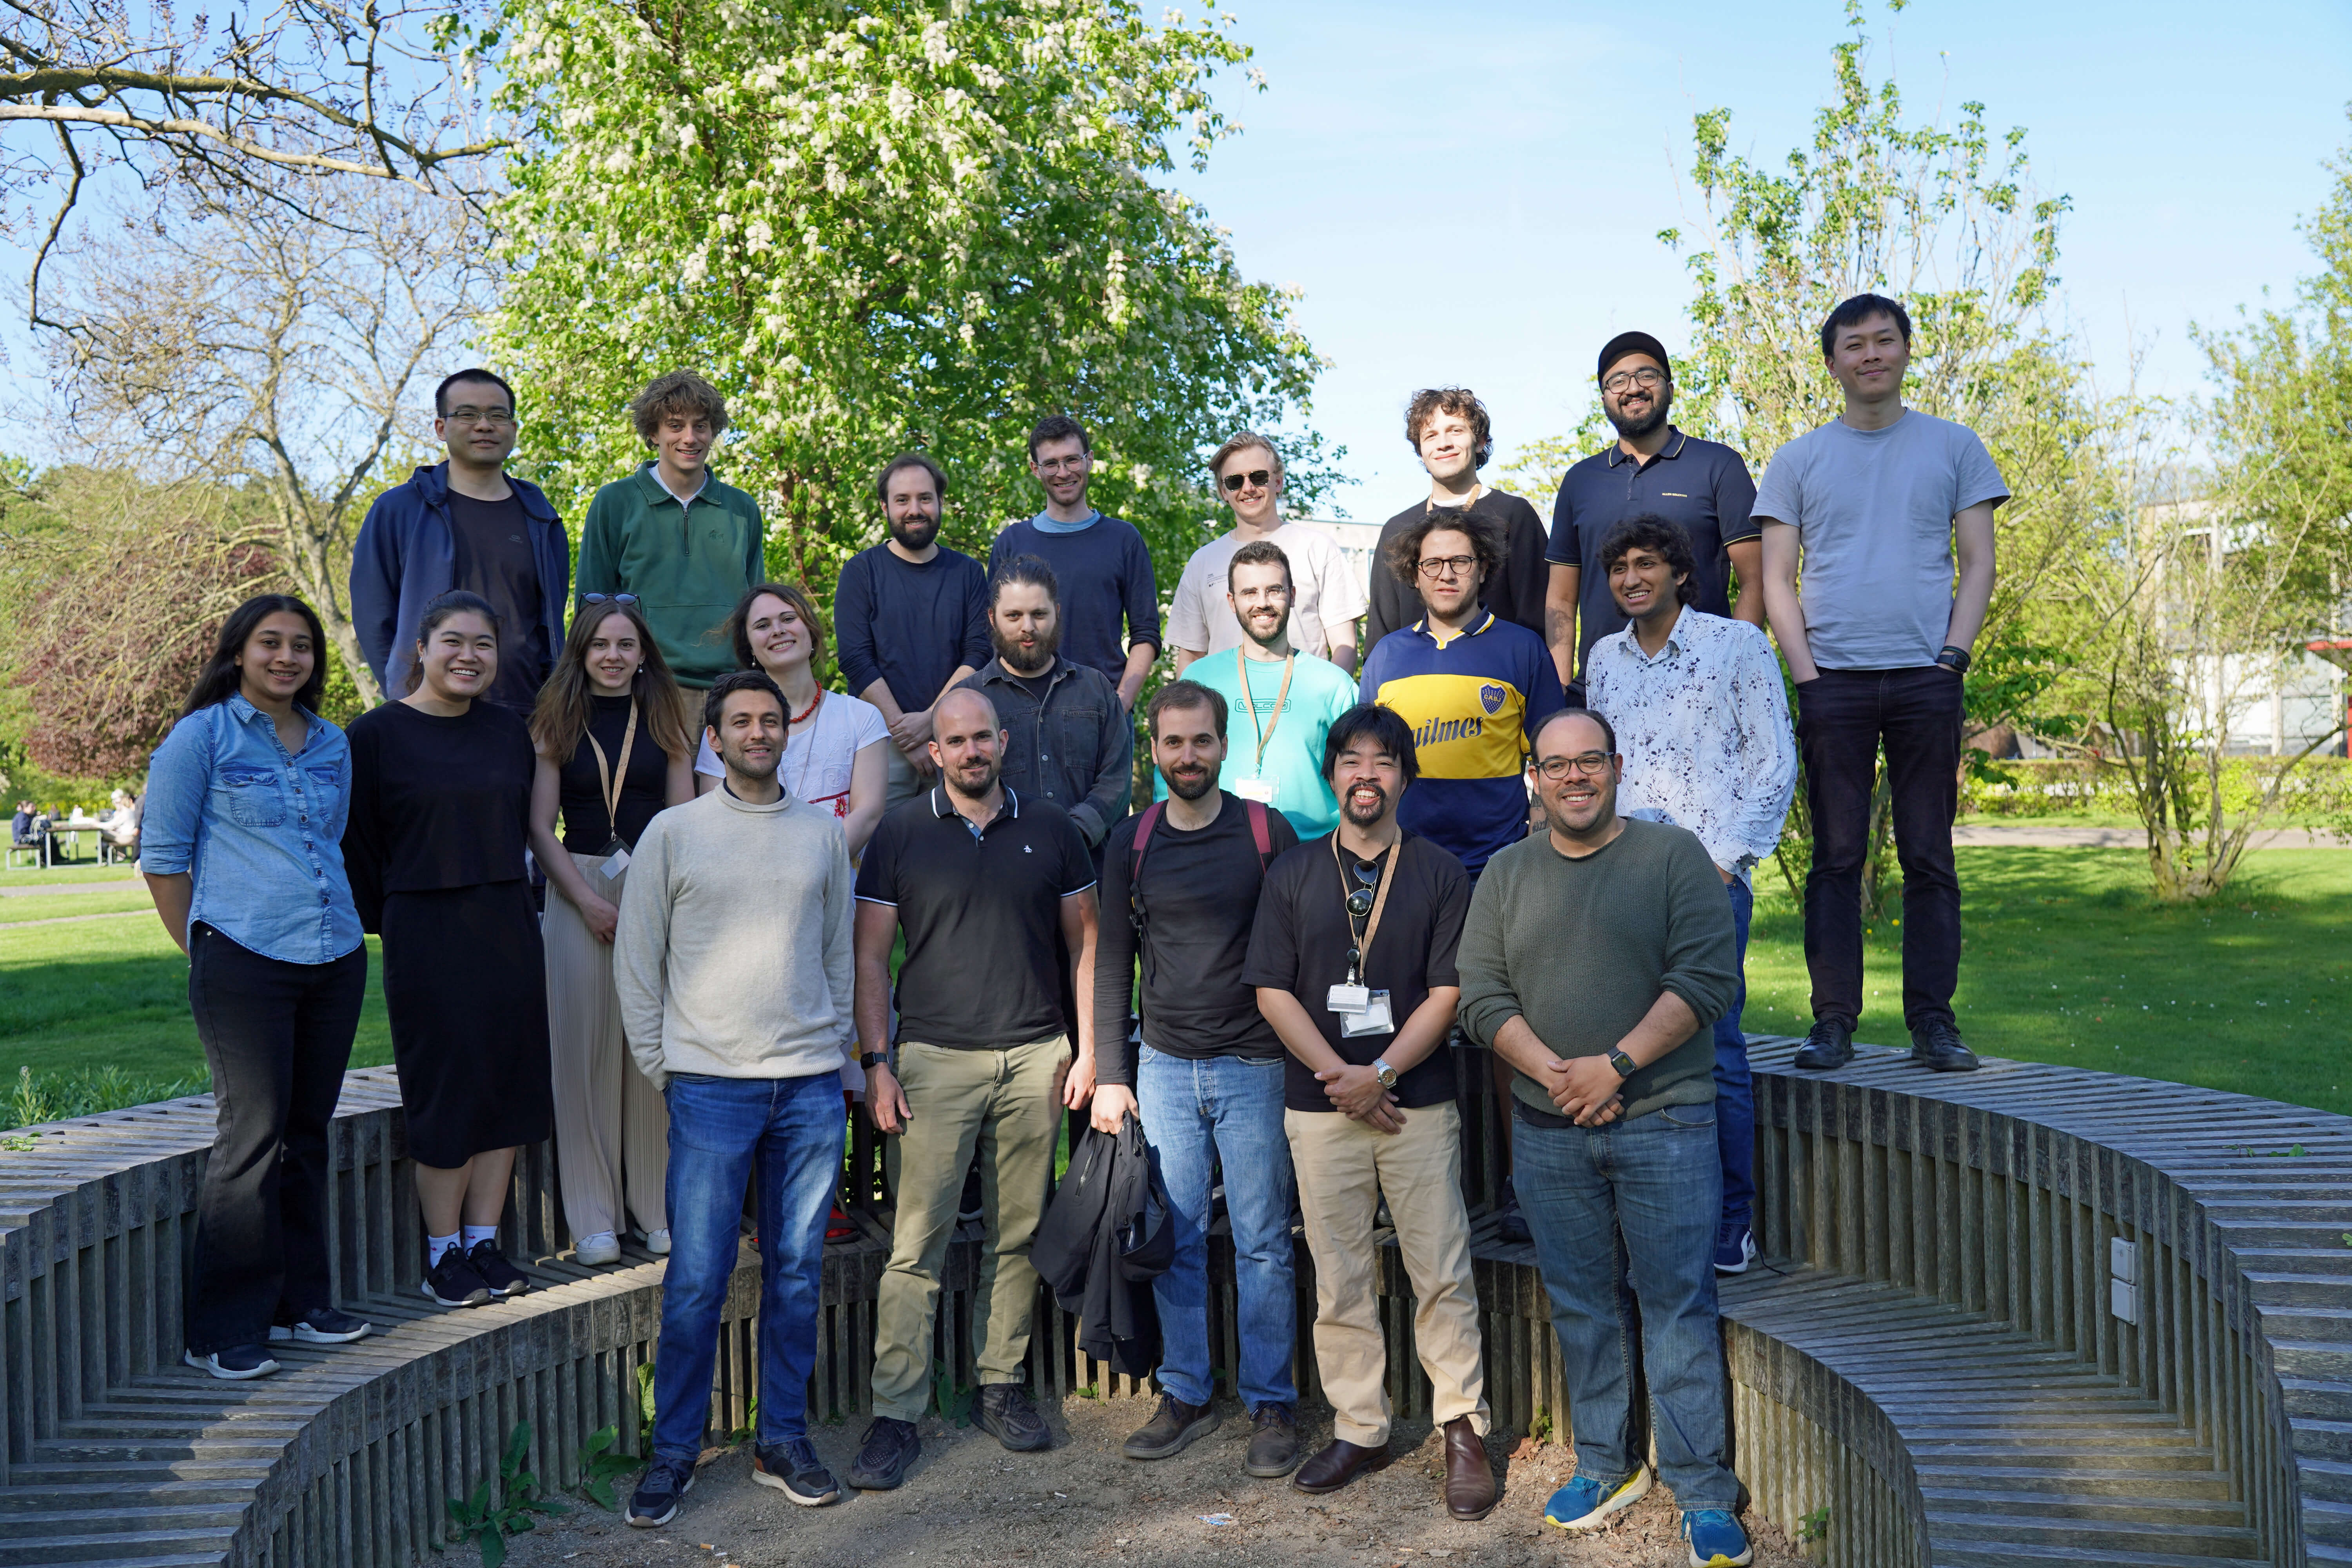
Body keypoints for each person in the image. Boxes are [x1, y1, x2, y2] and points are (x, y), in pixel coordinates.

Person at [1456, 708, 1747, 1568]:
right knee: (1583, 1304)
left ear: (1618, 767)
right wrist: (1562, 1076)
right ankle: (1607, 1464)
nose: (1574, 776)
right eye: (1556, 765)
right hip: (1549, 1129)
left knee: (1677, 1305)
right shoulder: (1506, 873)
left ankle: (1703, 1491)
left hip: (1666, 1118)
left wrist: (1614, 1067)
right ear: (1534, 779)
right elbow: (1481, 996)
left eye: (1590, 760)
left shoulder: (1674, 857)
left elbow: (1707, 979)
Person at [612, 670, 859, 1525]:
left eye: (770, 719)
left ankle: (780, 1438)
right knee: (696, 1278)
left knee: (797, 1273)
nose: (758, 732)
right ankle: (674, 1452)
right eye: (741, 722)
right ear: (714, 738)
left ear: (787, 732)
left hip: (809, 1088)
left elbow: (836, 955)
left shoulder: (822, 835)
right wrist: (665, 1066)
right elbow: (638, 961)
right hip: (710, 1086)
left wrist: (835, 1049)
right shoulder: (675, 833)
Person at [1241, 703, 1495, 1521]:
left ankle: (1462, 1426)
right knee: (1340, 1274)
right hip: (1321, 1110)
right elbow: (1272, 989)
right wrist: (1341, 1077)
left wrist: (1379, 1073)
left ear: (1405, 778)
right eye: (1352, 759)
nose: (1367, 775)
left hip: (1417, 1104)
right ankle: (1360, 1426)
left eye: (1384, 761)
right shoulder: (1291, 872)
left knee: (1441, 1268)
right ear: (1332, 775)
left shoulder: (1441, 872)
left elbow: (1449, 991)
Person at [846, 688, 1101, 1490]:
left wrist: (1090, 1051)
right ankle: (896, 1413)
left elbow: (1088, 945)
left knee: (1017, 1235)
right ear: (935, 752)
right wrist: (877, 1061)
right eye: (955, 741)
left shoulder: (1052, 828)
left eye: (982, 737)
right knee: (915, 1246)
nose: (970, 751)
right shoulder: (901, 832)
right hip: (934, 1060)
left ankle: (1001, 1385)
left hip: (1036, 1056)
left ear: (1003, 741)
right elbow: (868, 957)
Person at [1755, 293, 2006, 1074]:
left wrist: (1953, 658)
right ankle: (1832, 1022)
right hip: (1833, 682)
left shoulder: (1955, 446)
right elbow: (1776, 577)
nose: (1871, 354)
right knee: (1836, 858)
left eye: (1885, 340)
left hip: (1928, 679)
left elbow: (1980, 562)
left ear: (1906, 350)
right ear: (1832, 362)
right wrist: (1806, 674)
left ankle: (1934, 1023)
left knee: (1930, 855)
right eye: (1855, 344)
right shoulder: (1798, 460)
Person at [141, 594, 374, 1380]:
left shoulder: (333, 742)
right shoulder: (200, 737)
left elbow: (327, 841)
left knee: (308, 1133)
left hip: (335, 953)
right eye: (270, 642)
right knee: (253, 1135)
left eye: (301, 645)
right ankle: (222, 1330)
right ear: (238, 651)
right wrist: (208, 950)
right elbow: (163, 860)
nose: (286, 657)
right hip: (242, 956)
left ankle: (300, 1304)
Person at [1091, 680, 1304, 1477]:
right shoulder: (1133, 840)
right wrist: (1113, 1073)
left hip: (1256, 1066)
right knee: (1174, 1235)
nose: (1188, 756)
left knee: (1262, 1243)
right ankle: (1184, 1390)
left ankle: (1272, 1401)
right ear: (1154, 750)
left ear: (1224, 746)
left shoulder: (1267, 832)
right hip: (1165, 1068)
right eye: (1174, 742)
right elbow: (1113, 961)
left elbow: (1301, 949)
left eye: (1202, 741)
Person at [1584, 517, 1796, 1277]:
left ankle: (1730, 1225)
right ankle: (1643, 1220)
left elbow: (1775, 761)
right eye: (1619, 568)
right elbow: (1600, 768)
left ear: (1679, 573)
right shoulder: (1603, 658)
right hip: (1619, 879)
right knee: (1626, 1044)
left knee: (1716, 1046)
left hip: (1707, 880)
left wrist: (1725, 864)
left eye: (1647, 564)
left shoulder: (1736, 644)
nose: (1631, 578)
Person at [343, 591, 554, 1309]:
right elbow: (358, 847)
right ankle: (443, 1255)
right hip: (426, 931)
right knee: (447, 1092)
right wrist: (400, 919)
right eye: (454, 642)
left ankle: (483, 1243)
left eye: (483, 644)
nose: (469, 656)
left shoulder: (507, 731)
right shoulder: (374, 736)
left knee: (508, 1085)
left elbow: (523, 827)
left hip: (507, 923)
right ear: (422, 650)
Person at [526, 599, 697, 1267]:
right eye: (600, 644)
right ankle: (594, 1215)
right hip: (578, 889)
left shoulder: (666, 716)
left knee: (652, 1051)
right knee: (583, 1052)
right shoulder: (556, 719)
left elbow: (685, 821)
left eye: (626, 645)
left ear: (643, 652)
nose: (613, 656)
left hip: (655, 886)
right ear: (582, 651)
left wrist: (666, 901)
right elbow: (540, 827)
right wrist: (586, 901)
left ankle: (656, 1208)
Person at [1543, 332, 1762, 697]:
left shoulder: (1719, 465)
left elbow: (1756, 580)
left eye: (1647, 375)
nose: (1633, 388)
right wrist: (1560, 692)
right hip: (1601, 688)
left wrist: (1733, 671)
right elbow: (1561, 600)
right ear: (1604, 398)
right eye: (1617, 381)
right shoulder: (1580, 480)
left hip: (1702, 684)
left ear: (1670, 390)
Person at [1358, 511, 1565, 879]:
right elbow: (1366, 765)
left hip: (1496, 867)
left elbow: (1551, 760)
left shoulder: (1524, 649)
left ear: (1483, 569)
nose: (1446, 574)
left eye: (1460, 561)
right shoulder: (1386, 655)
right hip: (1401, 864)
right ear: (1416, 575)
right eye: (1433, 564)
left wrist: (1538, 851)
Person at [351, 368, 571, 713]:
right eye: (467, 414)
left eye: (497, 415)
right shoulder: (399, 510)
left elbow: (550, 620)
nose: (484, 426)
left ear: (513, 429)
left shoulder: (542, 518)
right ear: (441, 428)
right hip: (428, 711)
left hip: (527, 710)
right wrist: (404, 697)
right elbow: (373, 614)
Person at [577, 371, 766, 688]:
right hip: (645, 685)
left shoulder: (742, 508)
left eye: (700, 426)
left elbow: (758, 606)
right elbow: (592, 605)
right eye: (676, 426)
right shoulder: (615, 502)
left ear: (713, 432)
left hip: (731, 686)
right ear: (653, 433)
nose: (690, 438)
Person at [1156, 541, 1357, 837]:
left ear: (1292, 596)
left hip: (1311, 850)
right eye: (1249, 592)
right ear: (1232, 601)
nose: (1262, 603)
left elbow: (1359, 775)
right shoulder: (1199, 679)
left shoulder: (1334, 684)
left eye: (1274, 590)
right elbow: (1170, 764)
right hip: (1217, 844)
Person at [833, 454, 990, 808]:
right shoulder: (860, 572)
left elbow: (979, 653)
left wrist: (933, 719)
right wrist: (907, 734)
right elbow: (855, 659)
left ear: (941, 502)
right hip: (881, 742)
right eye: (902, 500)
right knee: (880, 840)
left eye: (925, 498)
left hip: (957, 740)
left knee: (957, 839)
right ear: (885, 507)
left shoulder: (968, 573)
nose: (914, 510)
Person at [959, 555, 1134, 856]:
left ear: (1057, 613)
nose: (1028, 627)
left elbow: (1117, 780)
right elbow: (959, 789)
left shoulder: (1096, 689)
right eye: (1014, 616)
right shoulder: (967, 700)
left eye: (1039, 614)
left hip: (1091, 868)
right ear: (992, 618)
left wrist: (1072, 834)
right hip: (1000, 866)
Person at [987, 414, 1160, 710]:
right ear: (1036, 469)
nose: (1063, 472)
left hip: (1102, 708)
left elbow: (1146, 633)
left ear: (1089, 460)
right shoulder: (1011, 542)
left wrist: (1121, 703)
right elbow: (994, 633)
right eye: (1051, 464)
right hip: (1024, 708)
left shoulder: (1124, 539)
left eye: (1072, 460)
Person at [1363, 388, 1550, 650]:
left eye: (1456, 431)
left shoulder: (1514, 515)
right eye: (1431, 435)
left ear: (1480, 441)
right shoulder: (1397, 529)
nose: (1444, 443)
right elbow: (1381, 636)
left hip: (1500, 672)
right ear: (1420, 451)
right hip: (1414, 674)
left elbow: (1539, 621)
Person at [1167, 432, 1367, 676]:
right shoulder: (1203, 562)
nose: (1248, 488)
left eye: (1259, 477)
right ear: (1224, 492)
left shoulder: (1318, 548)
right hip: (1223, 701)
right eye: (1235, 481)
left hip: (1304, 697)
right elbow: (1190, 657)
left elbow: (1345, 646)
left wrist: (1327, 695)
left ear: (1279, 482)